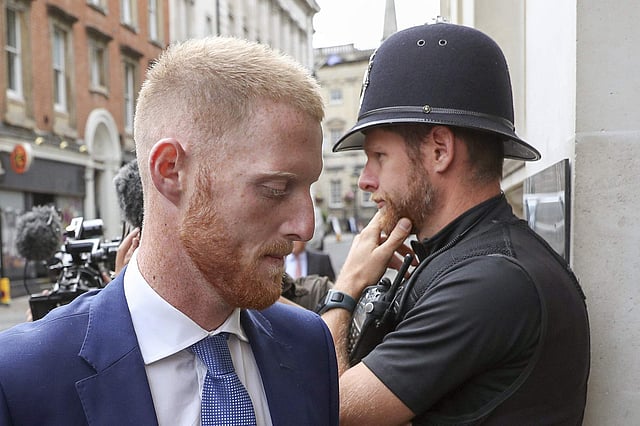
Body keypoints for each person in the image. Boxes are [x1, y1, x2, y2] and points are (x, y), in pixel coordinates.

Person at [0, 37, 339, 425]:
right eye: (276, 189)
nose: (306, 227)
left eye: (309, 188)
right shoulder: (19, 380)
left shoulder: (309, 346)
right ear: (170, 171)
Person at [318, 22, 590, 425]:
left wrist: (346, 288)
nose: (365, 180)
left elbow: (330, 409)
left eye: (379, 157)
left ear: (440, 151)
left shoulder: (491, 281)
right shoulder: (465, 257)